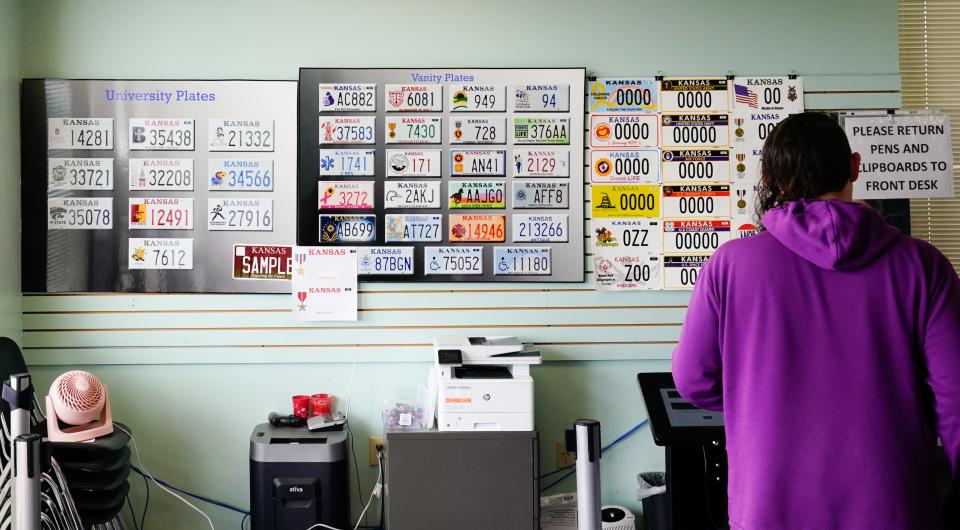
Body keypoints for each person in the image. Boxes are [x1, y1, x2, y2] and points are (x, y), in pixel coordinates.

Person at [672, 112, 960, 529]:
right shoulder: (923, 265)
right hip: (894, 505)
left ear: (769, 178)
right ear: (854, 167)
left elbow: (694, 379)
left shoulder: (730, 266)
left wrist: (762, 399)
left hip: (770, 506)